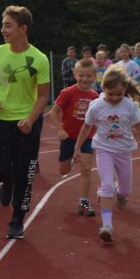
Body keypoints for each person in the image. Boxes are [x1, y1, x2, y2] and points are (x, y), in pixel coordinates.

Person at [0, 5, 50, 238]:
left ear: (23, 28)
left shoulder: (39, 58)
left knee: (26, 173)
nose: (3, 29)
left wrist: (31, 118)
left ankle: (17, 220)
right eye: (2, 25)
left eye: (8, 25)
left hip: (27, 124)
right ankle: (6, 182)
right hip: (0, 119)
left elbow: (43, 96)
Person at [75, 66, 140, 243]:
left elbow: (139, 126)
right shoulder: (96, 106)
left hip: (124, 152)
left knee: (125, 190)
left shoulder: (129, 106)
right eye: (110, 94)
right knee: (106, 184)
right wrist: (77, 147)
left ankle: (118, 192)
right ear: (103, 89)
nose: (114, 98)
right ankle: (107, 226)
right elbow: (86, 127)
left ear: (125, 91)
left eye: (118, 94)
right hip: (104, 150)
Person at [50, 57, 98, 217]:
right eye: (81, 75)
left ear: (94, 76)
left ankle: (83, 201)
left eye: (88, 76)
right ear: (75, 74)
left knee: (86, 168)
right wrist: (59, 130)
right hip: (68, 137)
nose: (85, 79)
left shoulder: (95, 96)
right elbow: (53, 112)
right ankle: (70, 160)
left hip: (86, 138)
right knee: (63, 171)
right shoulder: (68, 92)